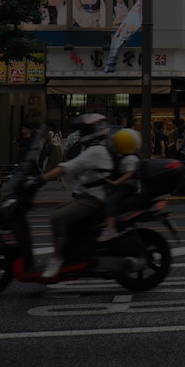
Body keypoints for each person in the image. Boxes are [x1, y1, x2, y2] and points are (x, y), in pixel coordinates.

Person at [40, 114, 115, 278]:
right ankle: (72, 254)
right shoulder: (95, 149)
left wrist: (43, 178)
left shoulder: (95, 151)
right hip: (86, 196)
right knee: (61, 212)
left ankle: (56, 258)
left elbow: (69, 166)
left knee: (57, 218)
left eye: (84, 131)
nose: (81, 135)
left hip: (92, 199)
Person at [97, 128, 141, 242]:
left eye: (118, 142)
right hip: (125, 186)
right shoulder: (125, 156)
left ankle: (110, 229)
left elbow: (130, 173)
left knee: (110, 201)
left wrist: (116, 182)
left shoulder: (131, 158)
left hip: (126, 187)